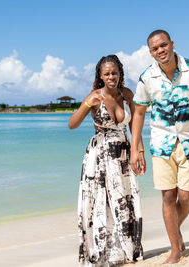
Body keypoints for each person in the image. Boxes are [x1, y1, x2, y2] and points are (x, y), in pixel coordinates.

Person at [130, 29, 189, 264]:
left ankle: (175, 232)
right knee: (168, 196)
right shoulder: (147, 78)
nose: (160, 51)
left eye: (163, 45)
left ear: (172, 44)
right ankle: (176, 249)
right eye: (155, 49)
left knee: (185, 197)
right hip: (161, 144)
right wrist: (136, 149)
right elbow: (139, 113)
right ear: (150, 52)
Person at [68, 55, 144, 266]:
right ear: (100, 76)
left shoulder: (127, 94)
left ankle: (126, 250)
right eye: (107, 73)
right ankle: (103, 253)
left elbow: (134, 127)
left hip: (123, 154)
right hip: (99, 156)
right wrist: (85, 104)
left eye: (114, 72)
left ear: (120, 73)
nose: (111, 76)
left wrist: (140, 151)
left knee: (124, 200)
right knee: (100, 203)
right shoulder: (95, 96)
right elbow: (72, 124)